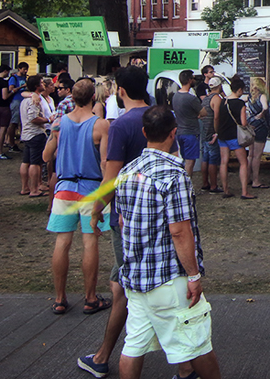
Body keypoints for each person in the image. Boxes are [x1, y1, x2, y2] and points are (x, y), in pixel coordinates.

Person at [114, 105, 222, 379]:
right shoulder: (174, 175)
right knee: (199, 344)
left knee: (133, 345)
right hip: (168, 277)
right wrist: (194, 274)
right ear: (174, 133)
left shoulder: (127, 171)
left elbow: (123, 222)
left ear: (143, 132)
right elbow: (180, 231)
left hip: (136, 277)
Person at [77, 65, 150, 379]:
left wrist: (96, 211)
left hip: (127, 215)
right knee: (127, 279)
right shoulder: (160, 116)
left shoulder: (121, 125)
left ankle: (105, 356)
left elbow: (111, 177)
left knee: (126, 284)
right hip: (155, 211)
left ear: (120, 91)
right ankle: (104, 355)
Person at [42, 79, 112, 316]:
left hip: (65, 188)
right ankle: (90, 298)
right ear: (94, 97)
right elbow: (104, 163)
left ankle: (60, 298)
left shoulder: (60, 123)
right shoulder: (101, 125)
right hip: (90, 188)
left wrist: (54, 135)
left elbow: (45, 156)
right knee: (89, 241)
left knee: (62, 242)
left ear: (72, 97)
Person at [213, 76, 254, 199]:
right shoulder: (240, 103)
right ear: (240, 90)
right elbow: (243, 122)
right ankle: (244, 191)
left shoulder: (223, 101)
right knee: (243, 163)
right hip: (235, 136)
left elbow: (217, 118)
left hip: (222, 135)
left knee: (224, 162)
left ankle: (226, 189)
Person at [19, 75, 49, 198]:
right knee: (35, 163)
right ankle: (34, 189)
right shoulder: (34, 101)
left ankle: (25, 187)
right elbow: (33, 118)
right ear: (37, 86)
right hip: (35, 134)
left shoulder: (25, 100)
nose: (44, 85)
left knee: (25, 161)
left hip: (26, 134)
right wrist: (47, 119)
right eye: (42, 83)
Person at [172, 70, 202, 177]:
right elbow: (203, 112)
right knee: (190, 161)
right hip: (191, 132)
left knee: (184, 159)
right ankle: (186, 185)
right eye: (193, 78)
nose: (194, 80)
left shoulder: (175, 96)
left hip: (180, 131)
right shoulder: (191, 98)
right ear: (189, 80)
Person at [199, 77, 224, 193]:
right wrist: (216, 132)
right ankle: (214, 185)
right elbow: (217, 116)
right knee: (213, 159)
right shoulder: (216, 98)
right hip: (211, 131)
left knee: (205, 158)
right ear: (219, 86)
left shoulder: (206, 98)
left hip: (204, 130)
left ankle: (205, 183)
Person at [246, 78, 270, 189]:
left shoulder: (249, 97)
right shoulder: (262, 96)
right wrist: (261, 114)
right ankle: (256, 180)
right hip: (261, 127)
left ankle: (247, 178)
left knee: (250, 154)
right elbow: (265, 107)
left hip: (251, 126)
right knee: (257, 156)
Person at [7, 61, 30, 152]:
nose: (25, 71)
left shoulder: (25, 78)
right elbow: (11, 89)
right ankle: (11, 142)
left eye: (26, 69)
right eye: (24, 69)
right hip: (16, 101)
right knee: (14, 122)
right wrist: (21, 87)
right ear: (19, 69)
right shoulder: (14, 78)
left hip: (23, 100)